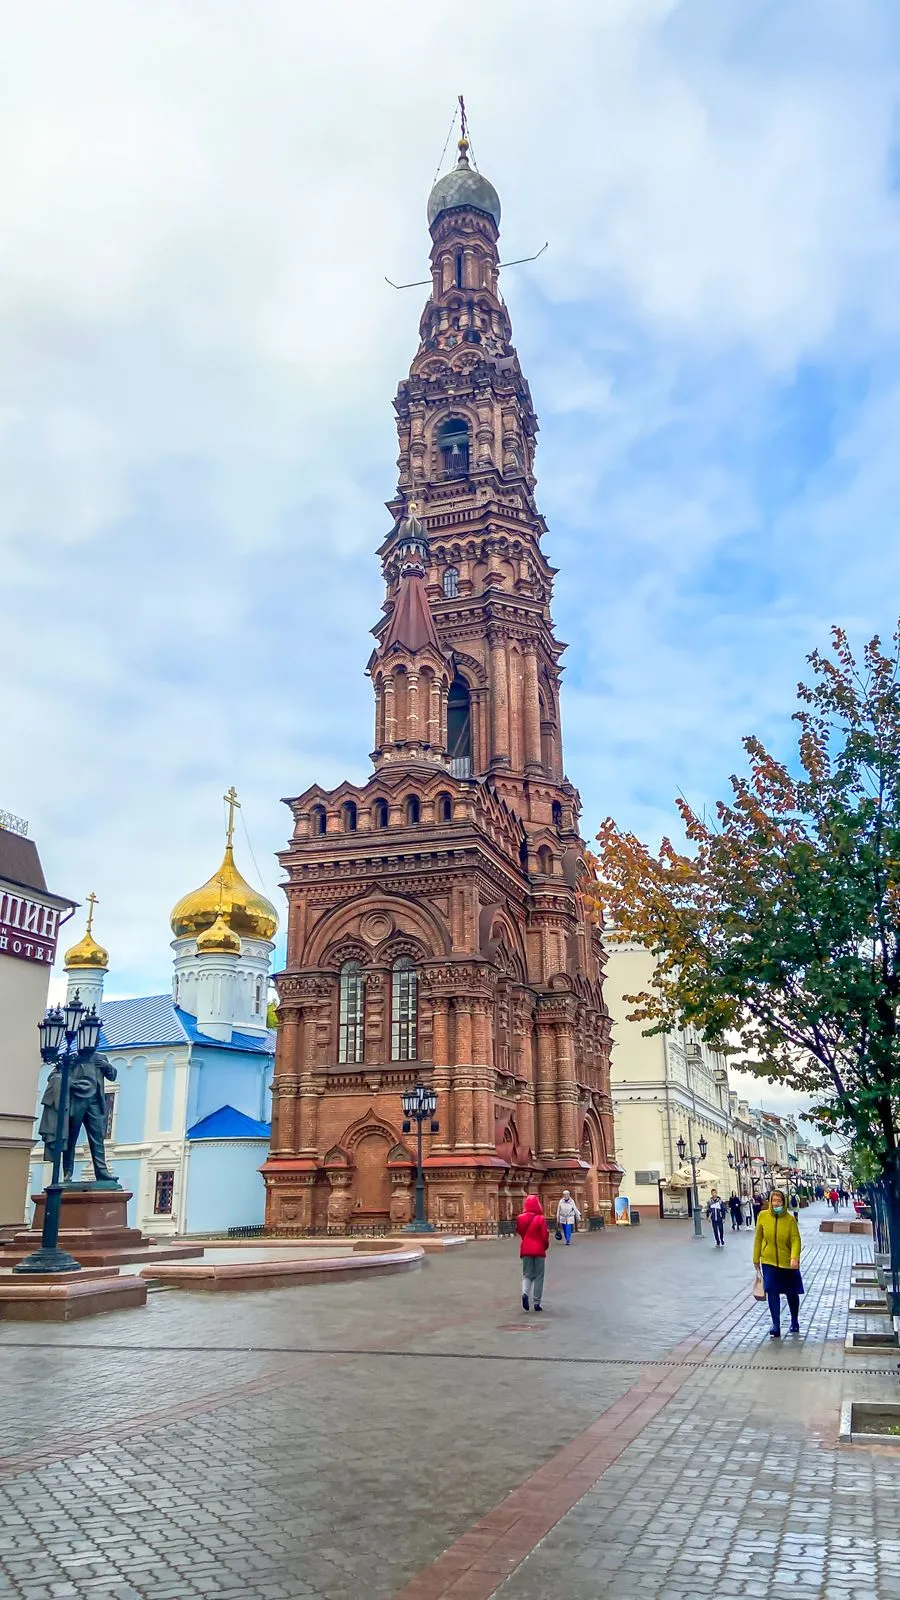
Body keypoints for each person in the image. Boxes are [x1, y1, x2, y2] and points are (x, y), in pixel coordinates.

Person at [753, 1188, 803, 1338]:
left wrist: (794, 1257)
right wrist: (756, 1259)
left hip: (787, 1263)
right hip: (768, 1261)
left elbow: (796, 1240)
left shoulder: (790, 1220)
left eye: (779, 1201)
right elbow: (758, 1238)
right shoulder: (762, 1216)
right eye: (774, 1201)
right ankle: (776, 1325)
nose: (776, 1203)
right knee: (772, 1292)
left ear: (784, 1202)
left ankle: (794, 1320)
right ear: (770, 1201)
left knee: (791, 1293)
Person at [516, 1193, 550, 1313]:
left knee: (527, 1274)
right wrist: (545, 1246)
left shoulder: (520, 1218)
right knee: (539, 1276)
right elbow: (544, 1236)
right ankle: (536, 1302)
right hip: (539, 1250)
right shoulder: (540, 1218)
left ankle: (525, 1293)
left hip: (526, 1249)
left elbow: (520, 1232)